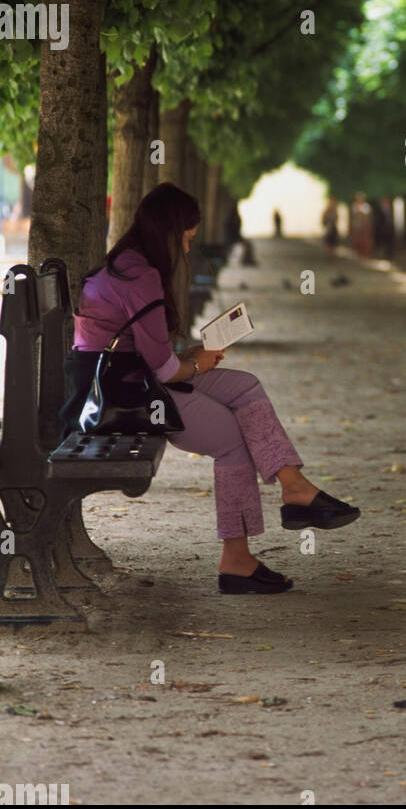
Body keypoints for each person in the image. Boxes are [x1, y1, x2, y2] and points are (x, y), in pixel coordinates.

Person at [63, 183, 360, 596]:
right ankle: (237, 560)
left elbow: (155, 355)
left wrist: (192, 357)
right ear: (168, 233)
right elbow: (164, 370)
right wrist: (195, 362)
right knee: (233, 440)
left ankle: (295, 488)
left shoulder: (127, 264)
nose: (186, 250)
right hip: (127, 394)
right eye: (185, 239)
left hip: (129, 379)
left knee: (245, 386)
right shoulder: (141, 275)